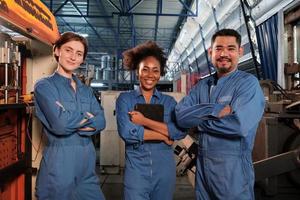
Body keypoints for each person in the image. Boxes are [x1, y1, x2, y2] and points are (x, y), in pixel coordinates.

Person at [175, 29, 265, 200]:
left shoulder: (247, 84)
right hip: (203, 170)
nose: (224, 54)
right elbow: (180, 116)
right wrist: (215, 111)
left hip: (233, 172)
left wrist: (198, 124)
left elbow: (238, 126)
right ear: (210, 52)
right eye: (218, 48)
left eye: (231, 48)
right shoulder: (202, 86)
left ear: (240, 51)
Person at [34, 32, 106, 200]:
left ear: (82, 59)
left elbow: (102, 121)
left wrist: (69, 117)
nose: (73, 57)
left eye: (79, 53)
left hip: (86, 170)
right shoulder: (44, 86)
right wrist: (87, 118)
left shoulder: (86, 90)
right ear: (57, 51)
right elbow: (60, 125)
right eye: (68, 50)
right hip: (58, 169)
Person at [116, 41, 186, 200]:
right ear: (137, 71)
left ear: (160, 73)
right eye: (145, 69)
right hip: (136, 172)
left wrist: (143, 121)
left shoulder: (169, 103)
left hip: (164, 172)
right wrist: (164, 136)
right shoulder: (125, 99)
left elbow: (179, 131)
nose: (150, 75)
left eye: (155, 70)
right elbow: (127, 133)